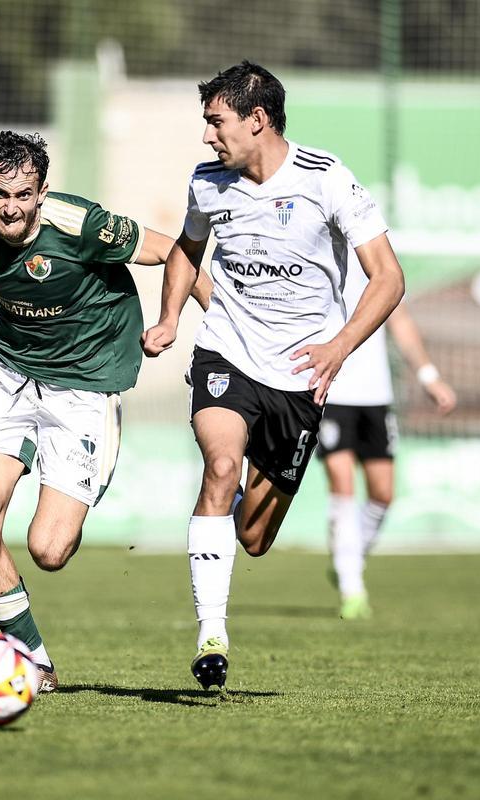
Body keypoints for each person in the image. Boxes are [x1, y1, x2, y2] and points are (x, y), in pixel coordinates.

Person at [142, 61, 405, 690]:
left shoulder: (327, 179)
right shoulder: (207, 182)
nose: (208, 137)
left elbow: (389, 278)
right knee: (221, 466)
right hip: (226, 354)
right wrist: (170, 316)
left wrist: (340, 345)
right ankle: (212, 632)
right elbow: (186, 248)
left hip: (299, 379)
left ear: (257, 120)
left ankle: (222, 530)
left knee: (255, 537)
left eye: (216, 122)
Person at [0, 131, 183, 693]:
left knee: (49, 550)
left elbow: (176, 249)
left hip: (86, 384)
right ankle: (33, 662)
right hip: (10, 374)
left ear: (41, 193)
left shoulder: (82, 224)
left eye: (22, 194)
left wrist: (183, 322)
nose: (9, 207)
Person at [318, 267, 457, 619]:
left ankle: (347, 559)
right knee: (343, 486)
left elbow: (401, 322)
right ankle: (352, 590)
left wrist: (429, 377)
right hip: (331, 392)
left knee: (383, 494)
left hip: (376, 398)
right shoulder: (317, 257)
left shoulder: (376, 262)